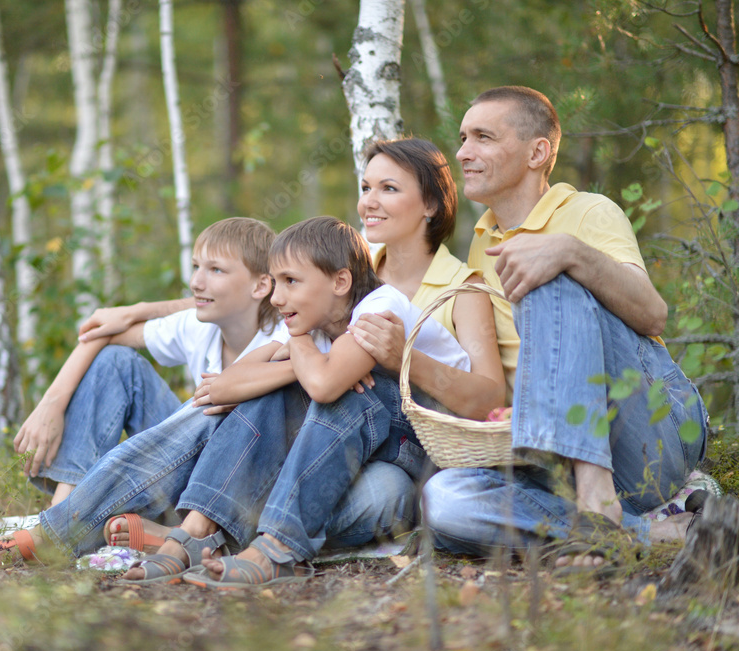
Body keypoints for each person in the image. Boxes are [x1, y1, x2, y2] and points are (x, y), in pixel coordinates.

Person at [179, 143, 508, 588]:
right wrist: (307, 356)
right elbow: (257, 376)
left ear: (430, 204)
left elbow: (490, 400)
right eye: (365, 186)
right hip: (343, 445)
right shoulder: (336, 280)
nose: (369, 200)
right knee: (298, 393)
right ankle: (224, 536)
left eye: (388, 188)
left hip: (421, 449)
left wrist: (397, 360)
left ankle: (242, 538)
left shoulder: (459, 288)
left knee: (361, 410)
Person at [419, 86, 708, 573]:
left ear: (538, 152)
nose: (463, 152)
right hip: (550, 457)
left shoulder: (589, 211)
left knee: (548, 276)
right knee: (442, 500)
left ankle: (598, 502)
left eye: (483, 137)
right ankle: (647, 532)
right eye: (463, 138)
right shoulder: (480, 241)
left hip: (646, 435)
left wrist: (570, 252)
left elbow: (652, 314)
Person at [120, 214, 476, 583]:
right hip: (378, 446)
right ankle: (196, 528)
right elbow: (226, 384)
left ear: (340, 281)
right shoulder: (320, 319)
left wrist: (303, 344)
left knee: (345, 391)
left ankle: (276, 547)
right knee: (283, 385)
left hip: (431, 448)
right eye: (275, 282)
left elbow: (324, 387)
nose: (277, 297)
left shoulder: (377, 308)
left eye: (290, 281)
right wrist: (303, 356)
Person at [0, 217, 286, 563]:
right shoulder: (200, 325)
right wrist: (50, 405)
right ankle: (62, 510)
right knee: (115, 362)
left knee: (210, 407)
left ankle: (52, 536)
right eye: (195, 267)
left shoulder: (284, 334)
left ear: (261, 286)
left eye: (215, 270)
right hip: (185, 468)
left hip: (237, 491)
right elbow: (102, 336)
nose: (195, 282)